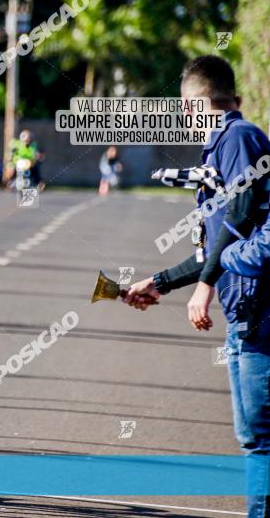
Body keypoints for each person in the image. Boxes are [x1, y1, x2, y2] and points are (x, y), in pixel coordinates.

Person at [124, 55, 270, 517]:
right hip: (246, 312)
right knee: (255, 437)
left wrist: (204, 287)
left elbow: (243, 213)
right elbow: (219, 243)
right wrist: (162, 283)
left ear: (192, 106)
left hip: (260, 313)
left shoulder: (238, 138)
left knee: (261, 439)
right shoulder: (229, 141)